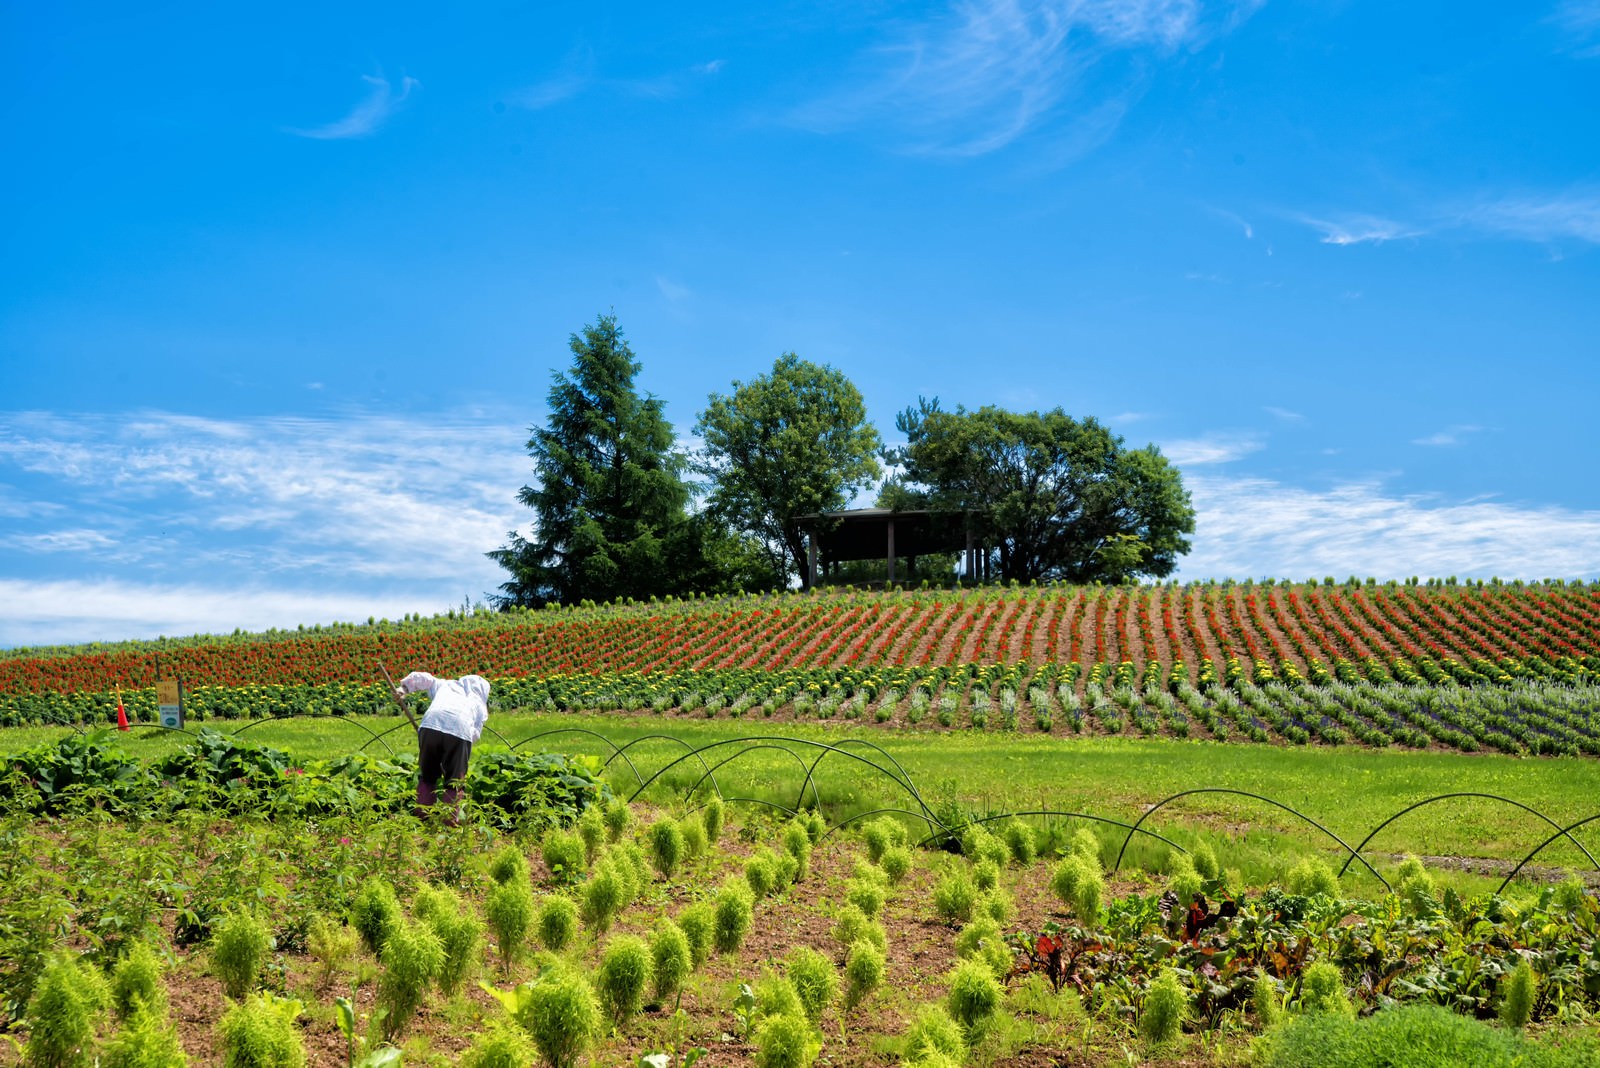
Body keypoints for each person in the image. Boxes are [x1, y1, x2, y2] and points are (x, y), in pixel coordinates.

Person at [393, 670, 490, 814]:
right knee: (455, 782)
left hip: (430, 726)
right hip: (459, 732)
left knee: (428, 776)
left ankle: (422, 816)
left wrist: (403, 689)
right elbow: (474, 735)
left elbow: (423, 679)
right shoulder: (478, 703)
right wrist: (455, 757)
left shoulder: (446, 685)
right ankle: (450, 821)